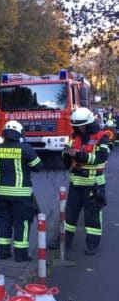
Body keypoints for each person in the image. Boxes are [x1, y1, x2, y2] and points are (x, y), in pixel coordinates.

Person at [0, 120, 42, 262]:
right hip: (21, 194)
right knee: (22, 223)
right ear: (18, 134)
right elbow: (38, 166)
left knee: (4, 221)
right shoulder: (25, 149)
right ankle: (21, 255)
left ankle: (4, 253)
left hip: (2, 194)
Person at [61, 107, 109, 255]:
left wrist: (83, 156)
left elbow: (102, 157)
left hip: (93, 185)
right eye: (76, 125)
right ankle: (65, 241)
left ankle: (92, 244)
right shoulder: (74, 136)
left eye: (80, 125)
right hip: (76, 183)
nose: (78, 128)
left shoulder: (101, 137)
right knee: (70, 215)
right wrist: (67, 155)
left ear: (88, 124)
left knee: (92, 216)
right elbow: (65, 154)